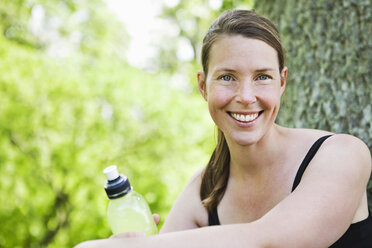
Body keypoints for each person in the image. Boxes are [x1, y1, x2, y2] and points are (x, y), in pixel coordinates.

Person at [75, 9, 372, 248]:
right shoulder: (203, 193)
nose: (245, 96)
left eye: (262, 77)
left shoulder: (342, 155)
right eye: (228, 77)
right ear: (203, 86)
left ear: (282, 82)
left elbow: (268, 240)